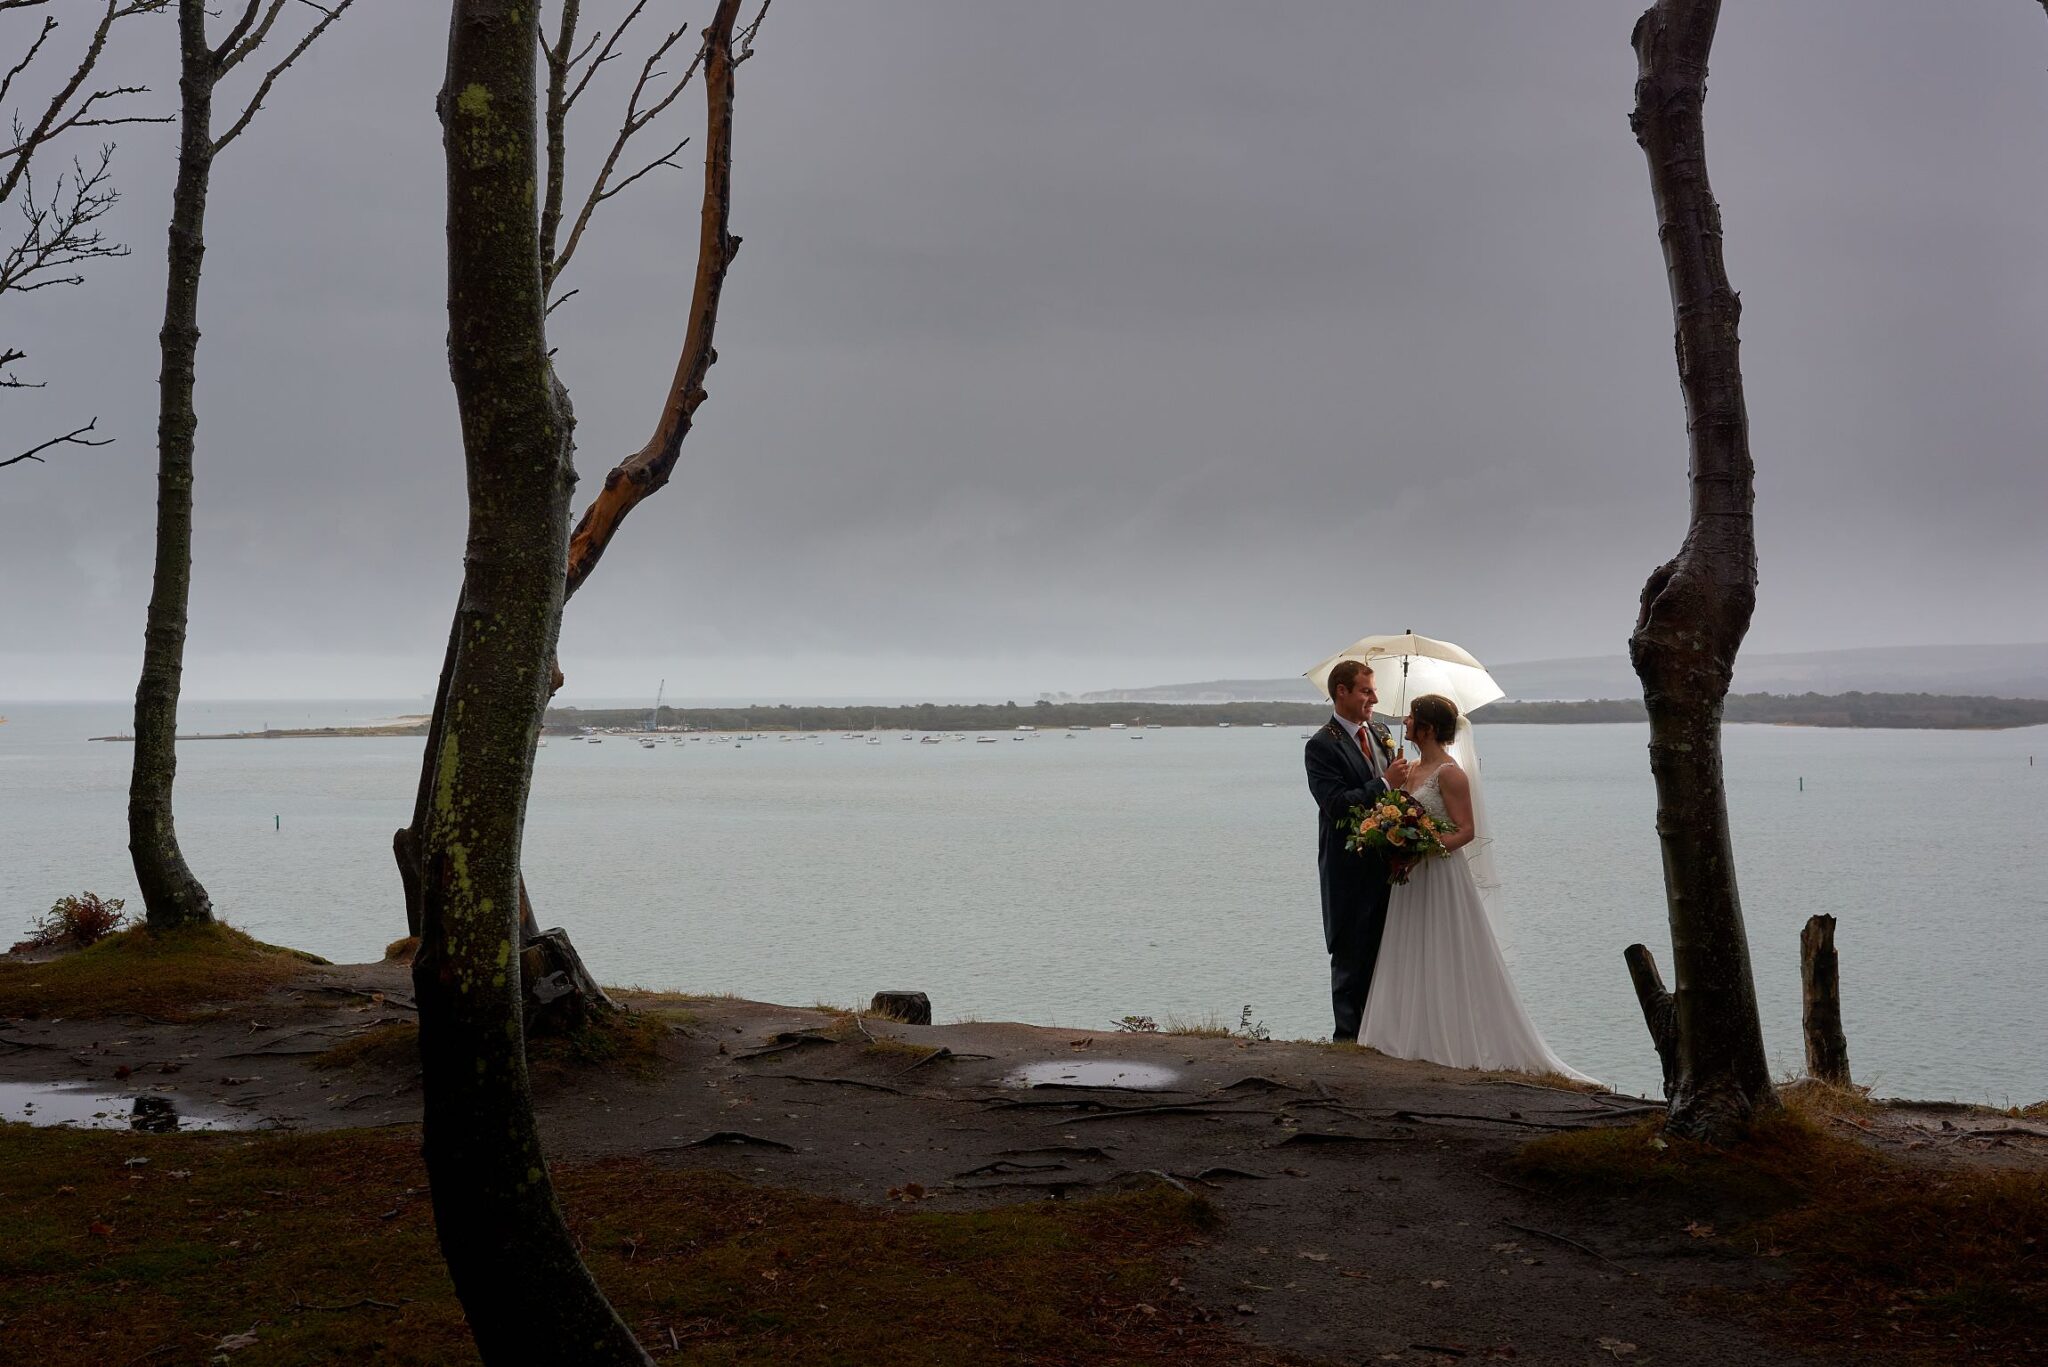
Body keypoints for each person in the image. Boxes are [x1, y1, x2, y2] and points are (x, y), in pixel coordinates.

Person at [1359, 693, 1597, 1083]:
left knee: (1443, 951)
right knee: (1409, 948)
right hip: (1410, 878)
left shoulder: (1450, 774)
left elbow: (1467, 831)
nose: (1405, 721)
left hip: (1439, 875)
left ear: (1429, 728)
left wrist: (1425, 848)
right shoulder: (1412, 768)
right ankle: (1406, 1037)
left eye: (1412, 717)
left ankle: (1449, 1039)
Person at [1303, 659, 1411, 1042]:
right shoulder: (1320, 746)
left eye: (1373, 690)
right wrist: (1384, 783)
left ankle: (1381, 1036)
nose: (1374, 698)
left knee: (1386, 955)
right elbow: (1335, 806)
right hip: (1347, 870)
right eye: (1366, 691)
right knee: (1349, 959)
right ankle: (1347, 1043)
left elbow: (1393, 795)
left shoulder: (1381, 731)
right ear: (1341, 692)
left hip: (1387, 867)